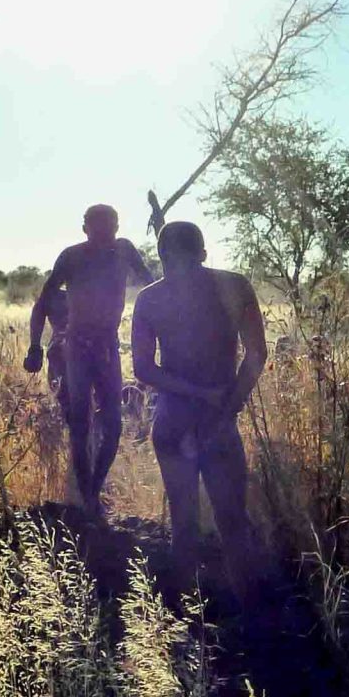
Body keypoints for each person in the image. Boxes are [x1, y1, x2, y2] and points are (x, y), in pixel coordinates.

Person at [131, 221, 266, 588]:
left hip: (173, 417)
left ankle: (184, 616)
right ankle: (246, 614)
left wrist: (194, 394)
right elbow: (256, 356)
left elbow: (143, 368)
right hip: (217, 419)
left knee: (184, 519)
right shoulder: (234, 286)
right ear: (203, 252)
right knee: (232, 520)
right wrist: (225, 406)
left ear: (160, 256)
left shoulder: (150, 298)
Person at [24, 204, 154, 517]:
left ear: (118, 228)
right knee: (80, 424)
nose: (104, 234)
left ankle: (93, 489)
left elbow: (153, 287)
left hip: (108, 345)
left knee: (113, 424)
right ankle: (88, 497)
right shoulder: (72, 256)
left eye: (110, 227)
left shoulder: (124, 251)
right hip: (77, 346)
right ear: (85, 229)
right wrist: (34, 347)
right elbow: (42, 305)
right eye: (97, 228)